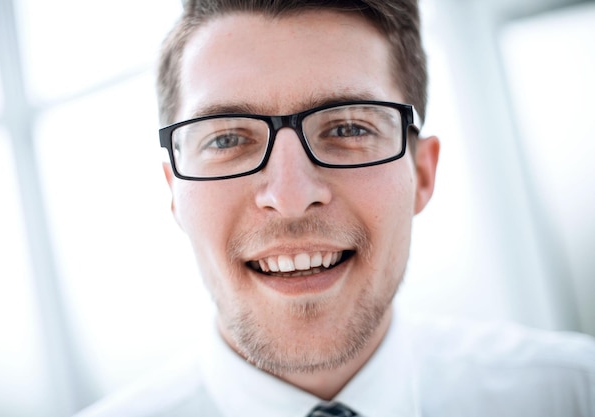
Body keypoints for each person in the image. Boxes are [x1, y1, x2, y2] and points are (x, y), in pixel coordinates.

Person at [76, 0, 595, 416]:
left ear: (422, 173)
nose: (290, 194)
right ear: (174, 192)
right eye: (228, 137)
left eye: (348, 128)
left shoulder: (575, 396)